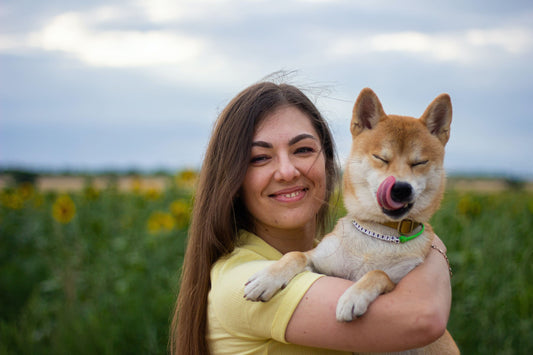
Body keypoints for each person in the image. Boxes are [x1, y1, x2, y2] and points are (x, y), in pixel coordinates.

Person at [169, 80, 452, 354]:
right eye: (260, 157)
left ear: (329, 162)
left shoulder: (332, 246)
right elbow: (422, 319)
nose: (288, 171)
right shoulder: (242, 282)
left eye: (303, 150)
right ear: (232, 177)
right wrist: (433, 246)